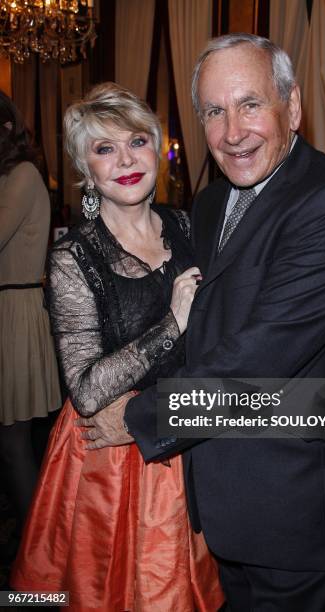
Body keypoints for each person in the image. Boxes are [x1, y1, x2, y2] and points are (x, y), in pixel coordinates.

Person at [78, 35, 325, 612]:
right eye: (215, 111)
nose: (232, 132)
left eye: (250, 105)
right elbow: (205, 329)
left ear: (291, 109)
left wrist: (137, 417)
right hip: (222, 500)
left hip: (296, 511)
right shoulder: (214, 202)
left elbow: (258, 361)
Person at [11, 83, 224, 612]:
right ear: (85, 167)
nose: (125, 160)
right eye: (105, 149)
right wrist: (172, 324)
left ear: (157, 148)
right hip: (108, 458)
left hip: (190, 428)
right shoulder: (73, 257)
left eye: (136, 142)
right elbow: (85, 390)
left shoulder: (189, 225)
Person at [0, 91, 61, 544]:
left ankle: (40, 544)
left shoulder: (22, 175)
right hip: (7, 308)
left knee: (14, 442)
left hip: (15, 311)